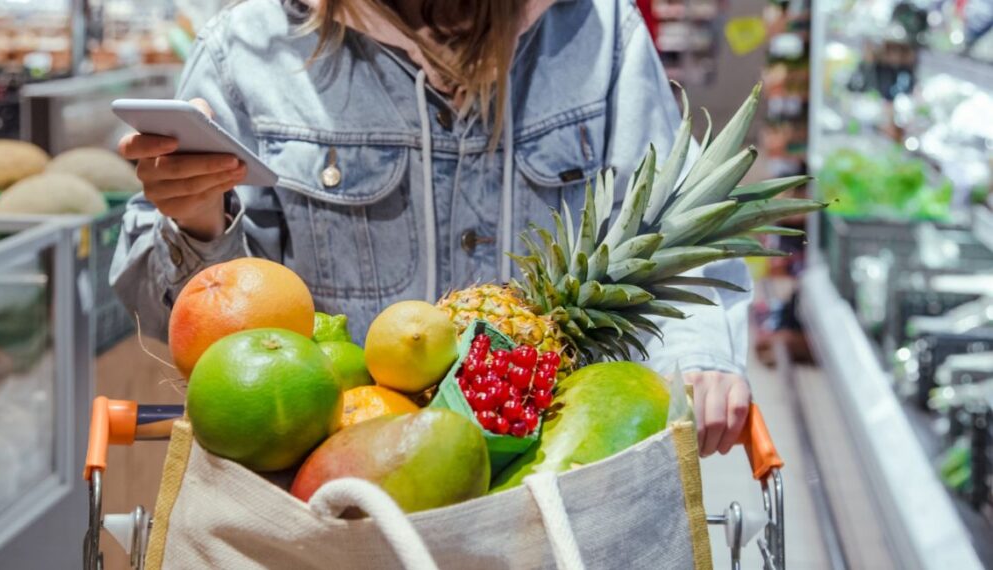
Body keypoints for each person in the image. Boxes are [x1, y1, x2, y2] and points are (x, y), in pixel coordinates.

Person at [111, 0, 753, 457]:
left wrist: (698, 356)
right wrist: (199, 223)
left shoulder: (597, 29)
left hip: (561, 470)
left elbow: (670, 225)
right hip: (336, 492)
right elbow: (188, 330)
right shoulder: (248, 49)